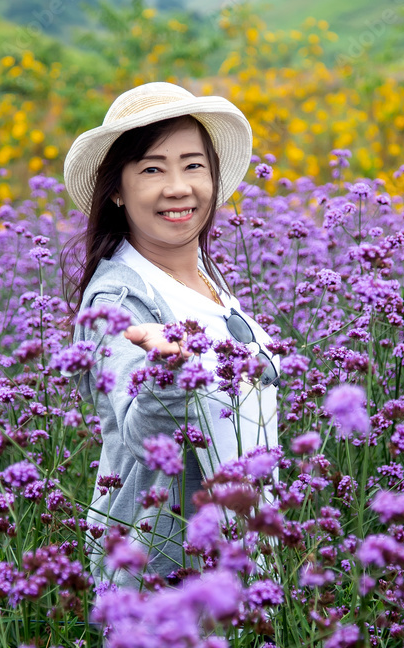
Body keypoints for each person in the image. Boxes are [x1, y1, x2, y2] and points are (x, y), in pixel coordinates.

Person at [61, 82, 281, 592]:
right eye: (152, 169)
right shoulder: (118, 303)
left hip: (241, 563)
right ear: (117, 189)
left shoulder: (203, 272)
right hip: (167, 585)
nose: (179, 187)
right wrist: (165, 375)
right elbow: (142, 437)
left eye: (193, 165)